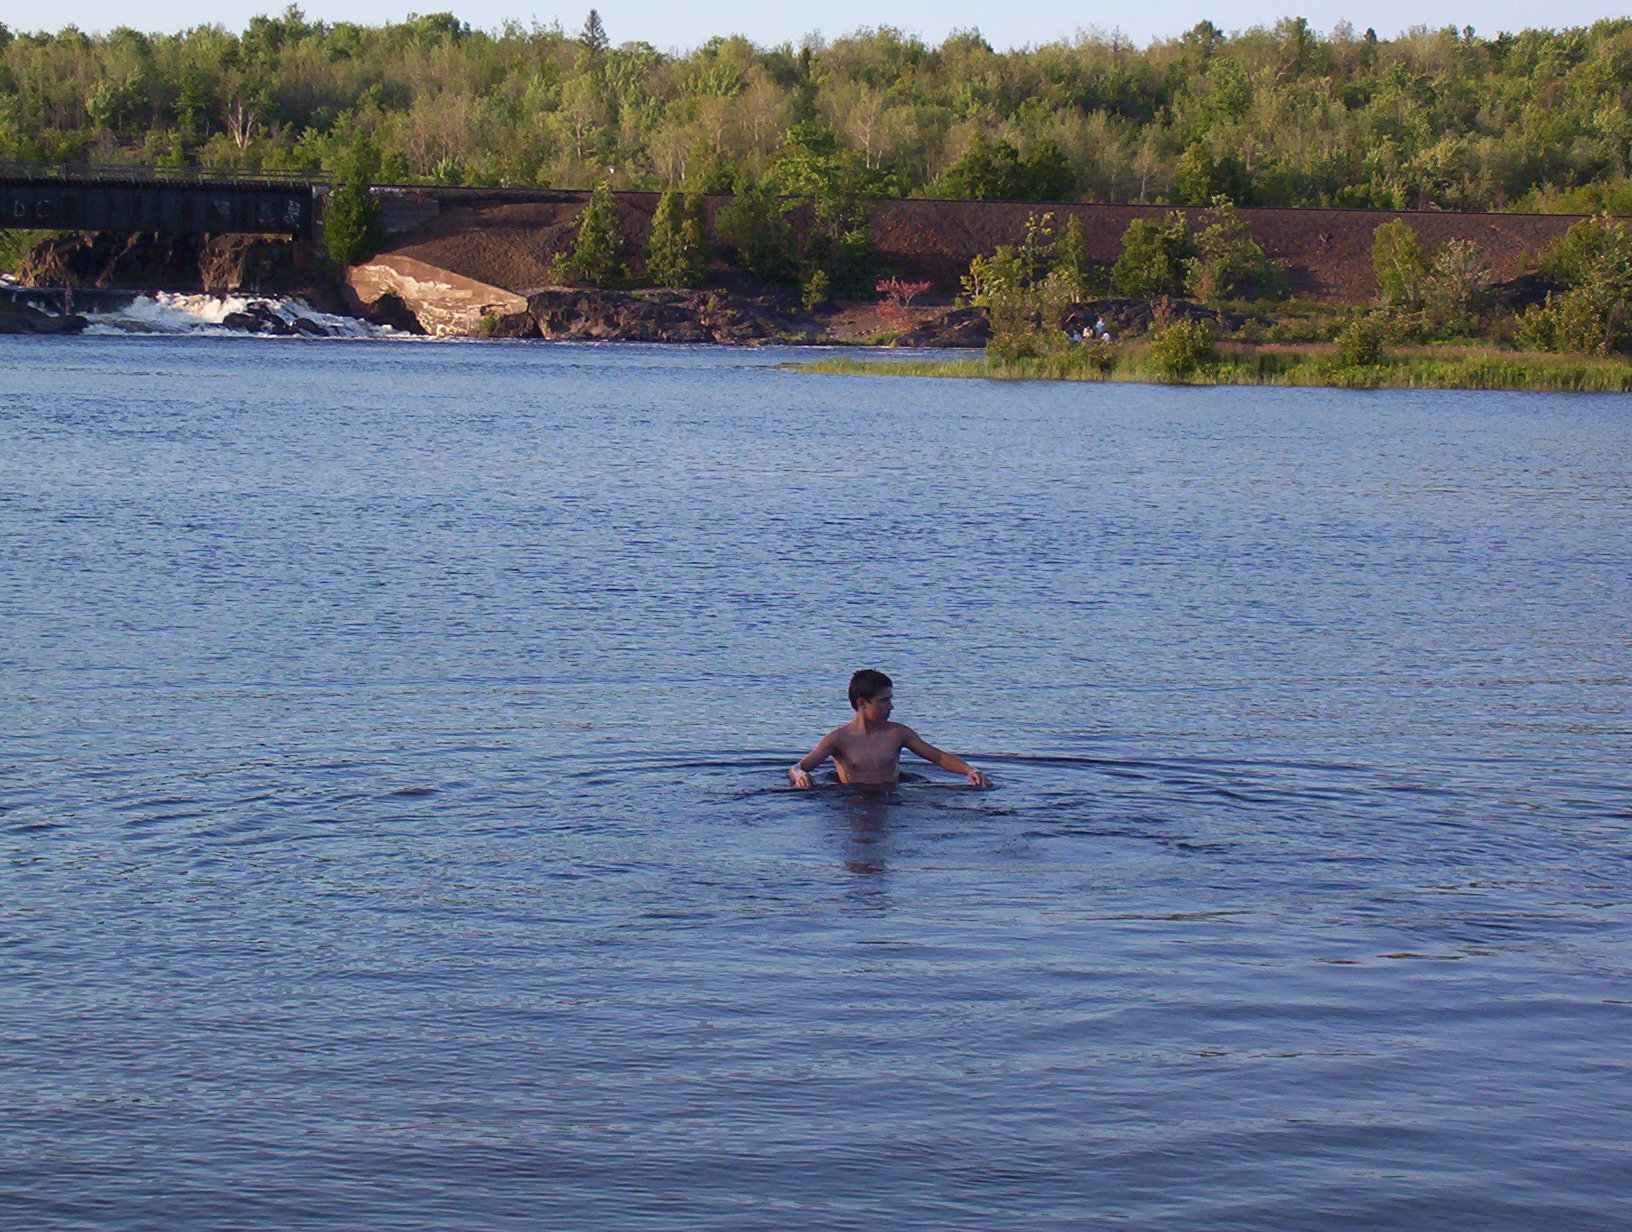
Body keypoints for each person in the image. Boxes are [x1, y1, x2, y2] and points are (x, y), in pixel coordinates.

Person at [788, 669, 990, 789]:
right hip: (852, 802)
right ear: (862, 703)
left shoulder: (898, 734)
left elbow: (937, 757)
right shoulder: (838, 740)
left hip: (891, 799)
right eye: (883, 701)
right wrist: (800, 777)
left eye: (890, 699)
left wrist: (970, 770)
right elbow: (799, 767)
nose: (890, 706)